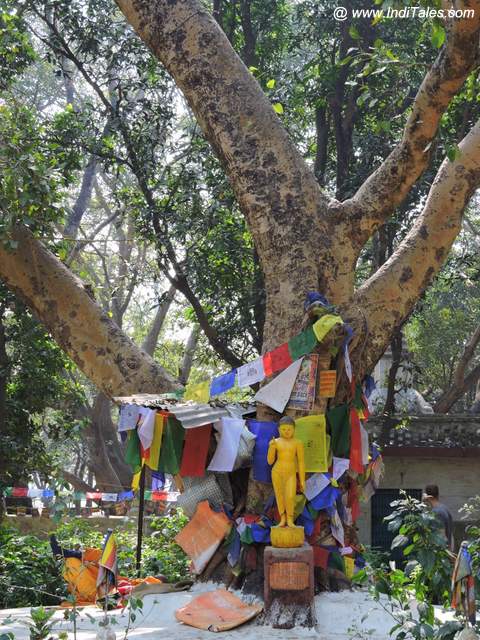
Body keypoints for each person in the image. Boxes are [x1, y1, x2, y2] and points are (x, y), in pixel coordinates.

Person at [267, 416, 305, 527]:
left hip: (291, 474)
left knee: (290, 497)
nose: (286, 432)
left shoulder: (297, 443)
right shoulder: (276, 442)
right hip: (277, 472)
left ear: (294, 429)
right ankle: (282, 518)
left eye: (289, 429)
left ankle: (290, 519)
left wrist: (302, 480)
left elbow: (301, 462)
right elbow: (270, 461)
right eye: (283, 429)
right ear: (279, 430)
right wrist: (271, 448)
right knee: (280, 496)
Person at [422, 484, 454, 551]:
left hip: (441, 554)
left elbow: (441, 535)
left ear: (427, 496)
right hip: (447, 551)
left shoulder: (436, 512)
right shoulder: (444, 508)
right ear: (438, 494)